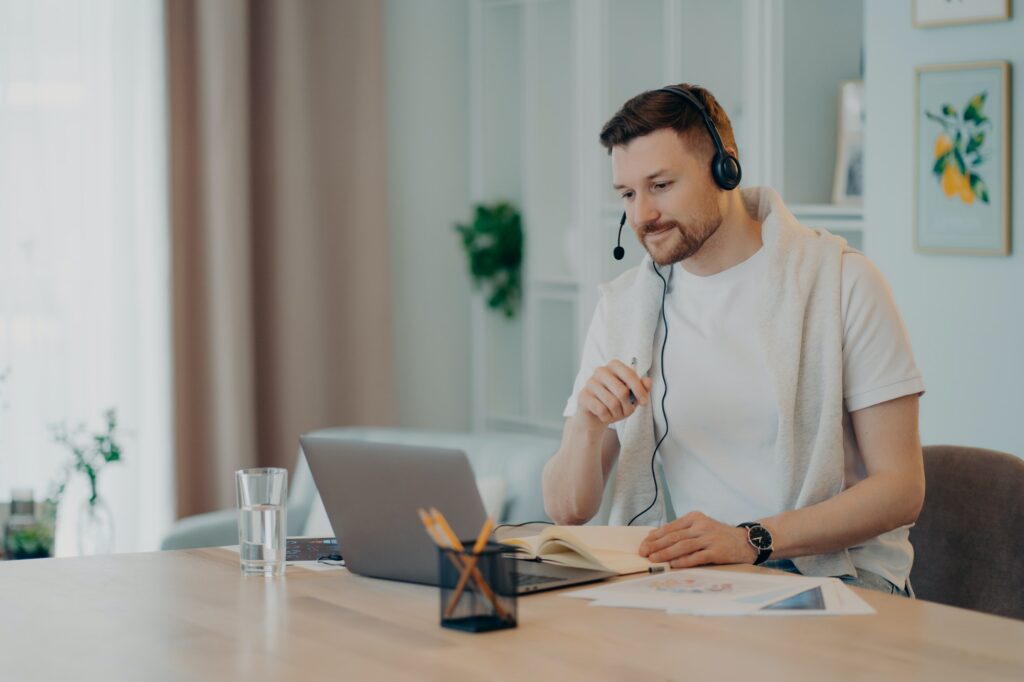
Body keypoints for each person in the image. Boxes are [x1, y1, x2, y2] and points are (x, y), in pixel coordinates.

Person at [541, 84, 925, 595]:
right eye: (628, 194)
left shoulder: (842, 283)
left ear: (726, 168)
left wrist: (750, 540)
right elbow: (568, 510)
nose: (641, 216)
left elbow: (901, 490)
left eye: (661, 185)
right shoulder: (626, 308)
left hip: (841, 578)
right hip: (707, 584)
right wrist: (585, 428)